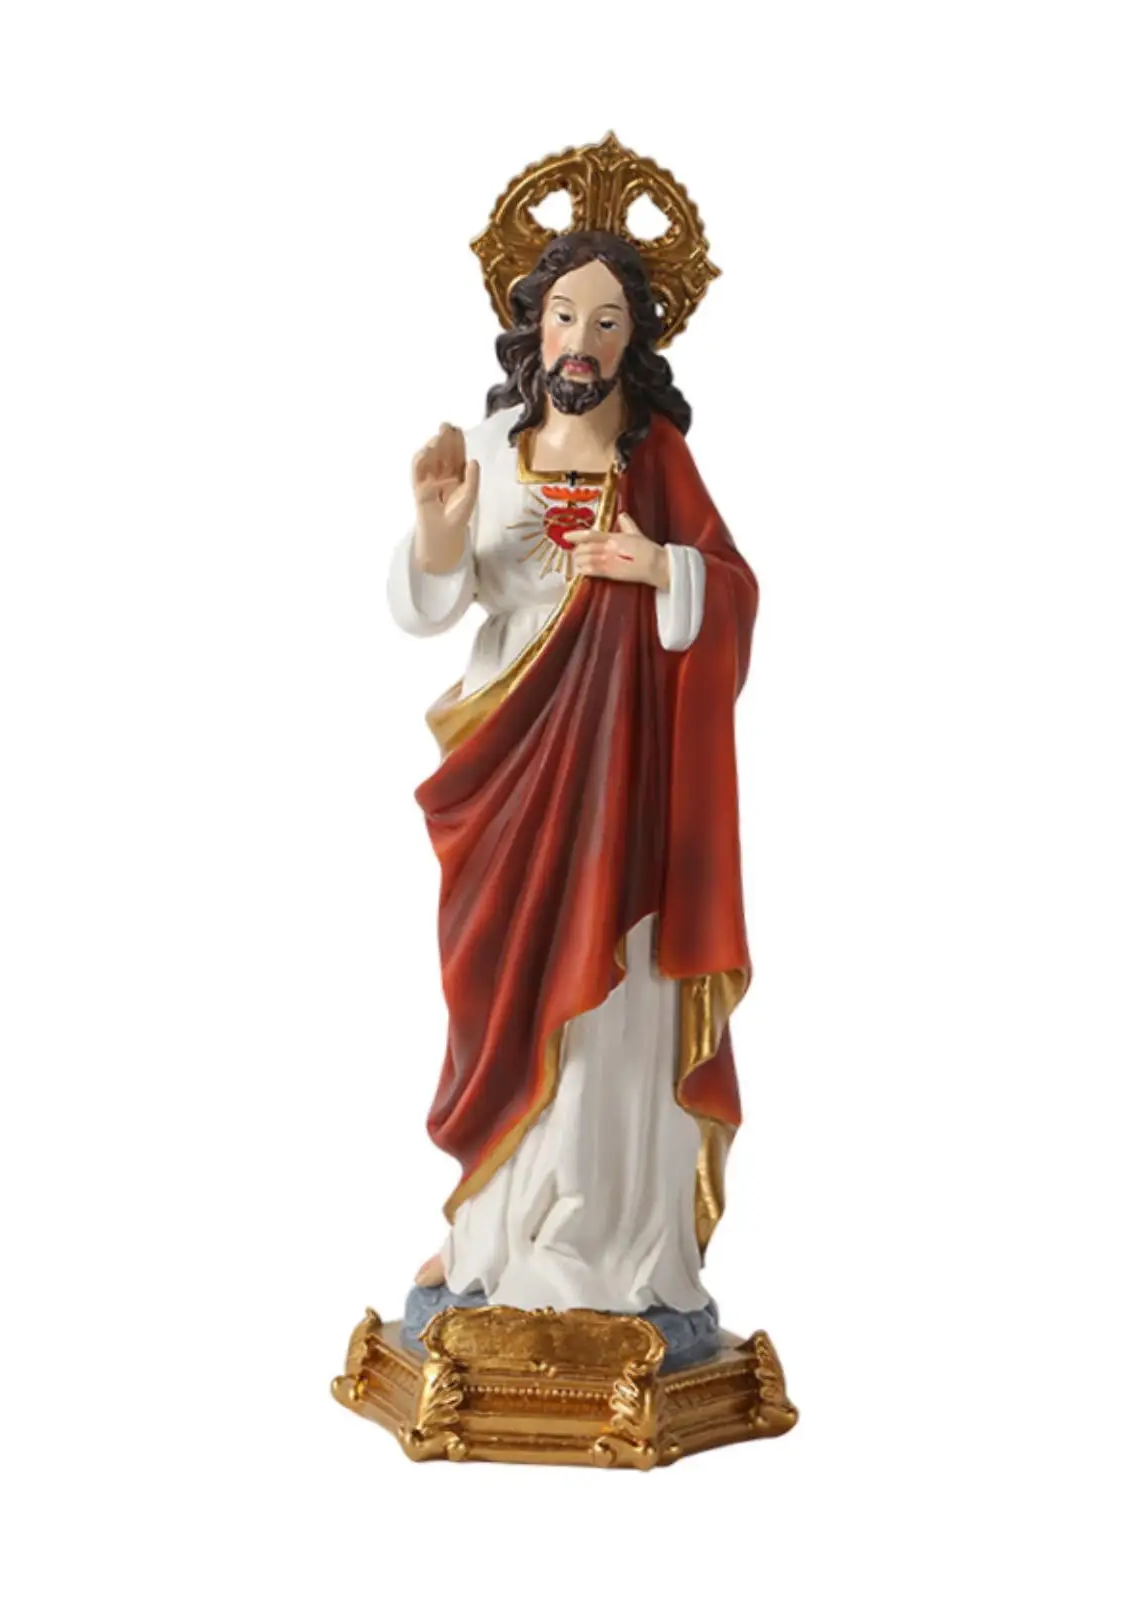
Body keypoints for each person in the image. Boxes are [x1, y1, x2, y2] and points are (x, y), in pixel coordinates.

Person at [386, 230, 756, 1318]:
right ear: (532, 327)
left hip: (623, 773)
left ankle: (594, 1237)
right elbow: (431, 604)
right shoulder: (491, 451)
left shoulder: (659, 459)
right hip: (509, 767)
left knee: (610, 997)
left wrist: (662, 567)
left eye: (605, 320)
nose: (580, 341)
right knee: (497, 987)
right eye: (562, 317)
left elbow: (732, 589)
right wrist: (436, 535)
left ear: (634, 337)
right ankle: (489, 1226)